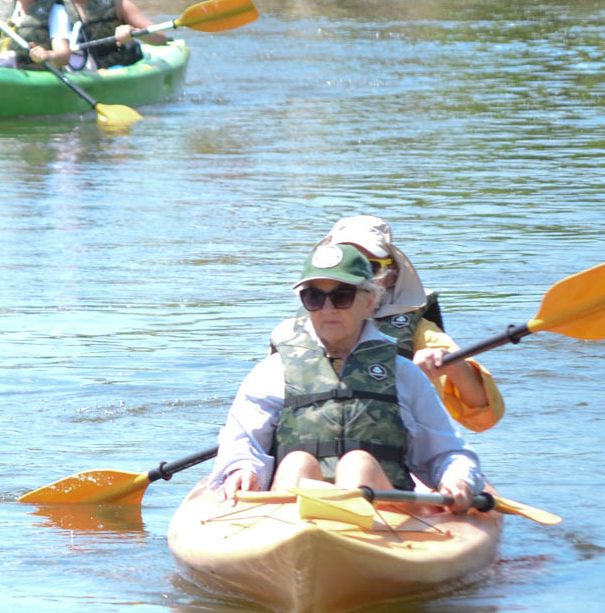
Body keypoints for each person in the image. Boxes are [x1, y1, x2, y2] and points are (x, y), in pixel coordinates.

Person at [213, 242, 485, 510]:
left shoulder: (404, 374)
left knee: (358, 464)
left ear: (369, 302)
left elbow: (449, 452)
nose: (328, 309)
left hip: (382, 517)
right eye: (314, 297)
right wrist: (242, 468)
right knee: (297, 462)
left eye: (342, 296)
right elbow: (242, 439)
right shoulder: (273, 371)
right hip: (292, 517)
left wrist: (456, 479)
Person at [267, 215, 504, 432]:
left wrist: (454, 367)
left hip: (390, 450)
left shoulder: (420, 334)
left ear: (390, 274)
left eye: (367, 266)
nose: (355, 276)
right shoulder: (289, 334)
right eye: (345, 264)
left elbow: (483, 417)